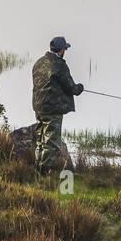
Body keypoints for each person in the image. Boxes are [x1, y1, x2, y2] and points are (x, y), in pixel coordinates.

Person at [31, 36, 83, 173]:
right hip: (53, 108)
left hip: (38, 106)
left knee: (41, 140)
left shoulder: (39, 62)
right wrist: (79, 88)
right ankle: (42, 173)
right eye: (65, 49)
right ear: (61, 50)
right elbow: (71, 88)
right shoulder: (59, 65)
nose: (65, 51)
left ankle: (37, 168)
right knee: (51, 143)